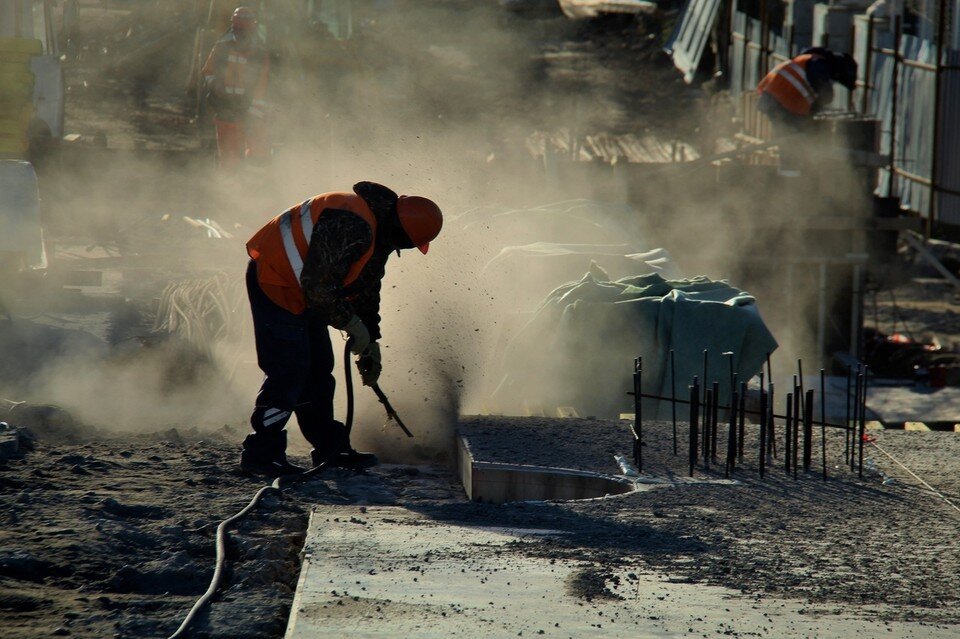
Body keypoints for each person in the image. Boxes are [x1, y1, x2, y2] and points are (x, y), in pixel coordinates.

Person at [240, 182, 443, 476]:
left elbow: (366, 290)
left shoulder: (378, 230)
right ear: (401, 232)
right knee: (290, 369)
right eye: (407, 245)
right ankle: (261, 453)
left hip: (301, 288)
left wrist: (370, 341)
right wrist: (351, 325)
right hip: (276, 280)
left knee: (318, 369)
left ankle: (330, 449)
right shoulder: (352, 223)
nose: (402, 250)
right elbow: (319, 288)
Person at [756, 47, 857, 175]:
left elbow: (811, 96)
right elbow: (823, 92)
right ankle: (791, 178)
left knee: (789, 141)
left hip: (775, 101)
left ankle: (791, 173)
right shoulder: (817, 64)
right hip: (779, 102)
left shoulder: (808, 61)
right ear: (838, 70)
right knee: (791, 142)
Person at [201, 6, 270, 170]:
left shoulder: (259, 52)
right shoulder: (221, 46)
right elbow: (207, 72)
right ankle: (230, 181)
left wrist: (254, 109)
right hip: (225, 105)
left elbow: (262, 83)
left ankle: (242, 180)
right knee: (227, 149)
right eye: (239, 24)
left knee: (249, 147)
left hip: (245, 107)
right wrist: (214, 86)